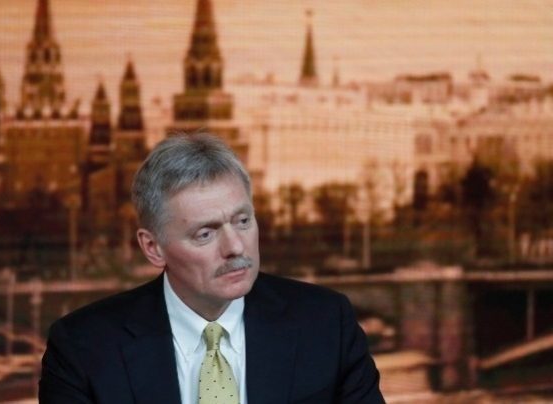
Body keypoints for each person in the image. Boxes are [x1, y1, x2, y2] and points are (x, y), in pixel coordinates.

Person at [39, 133, 385, 404]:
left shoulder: (326, 323)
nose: (235, 247)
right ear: (153, 248)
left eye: (243, 221)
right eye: (205, 234)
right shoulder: (83, 348)